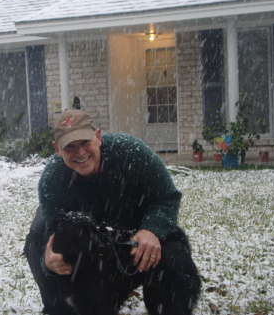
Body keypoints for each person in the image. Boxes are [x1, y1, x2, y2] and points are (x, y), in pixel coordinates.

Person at [24, 109, 200, 315]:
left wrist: (152, 229)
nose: (80, 153)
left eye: (85, 142)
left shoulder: (132, 152)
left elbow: (166, 196)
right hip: (89, 239)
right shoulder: (52, 179)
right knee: (37, 235)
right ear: (57, 149)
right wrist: (48, 261)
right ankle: (58, 308)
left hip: (137, 228)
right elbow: (52, 230)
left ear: (98, 137)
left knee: (175, 256)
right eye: (69, 147)